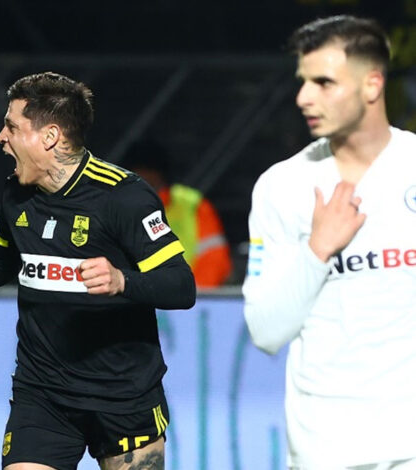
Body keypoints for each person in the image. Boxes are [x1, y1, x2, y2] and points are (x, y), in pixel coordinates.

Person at [0, 72, 196, 470]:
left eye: (12, 127)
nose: (1, 137)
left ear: (50, 136)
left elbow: (181, 286)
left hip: (122, 397)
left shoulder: (124, 197)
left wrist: (122, 280)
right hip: (43, 395)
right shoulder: (17, 194)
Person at [243, 15, 416, 470]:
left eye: (323, 82)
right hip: (327, 447)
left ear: (372, 85)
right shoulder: (282, 186)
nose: (304, 97)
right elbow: (265, 331)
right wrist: (317, 251)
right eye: (303, 81)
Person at [120, 141, 233, 288]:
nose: (144, 178)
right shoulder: (114, 206)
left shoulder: (192, 205)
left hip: (189, 297)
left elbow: (215, 258)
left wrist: (187, 294)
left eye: (148, 172)